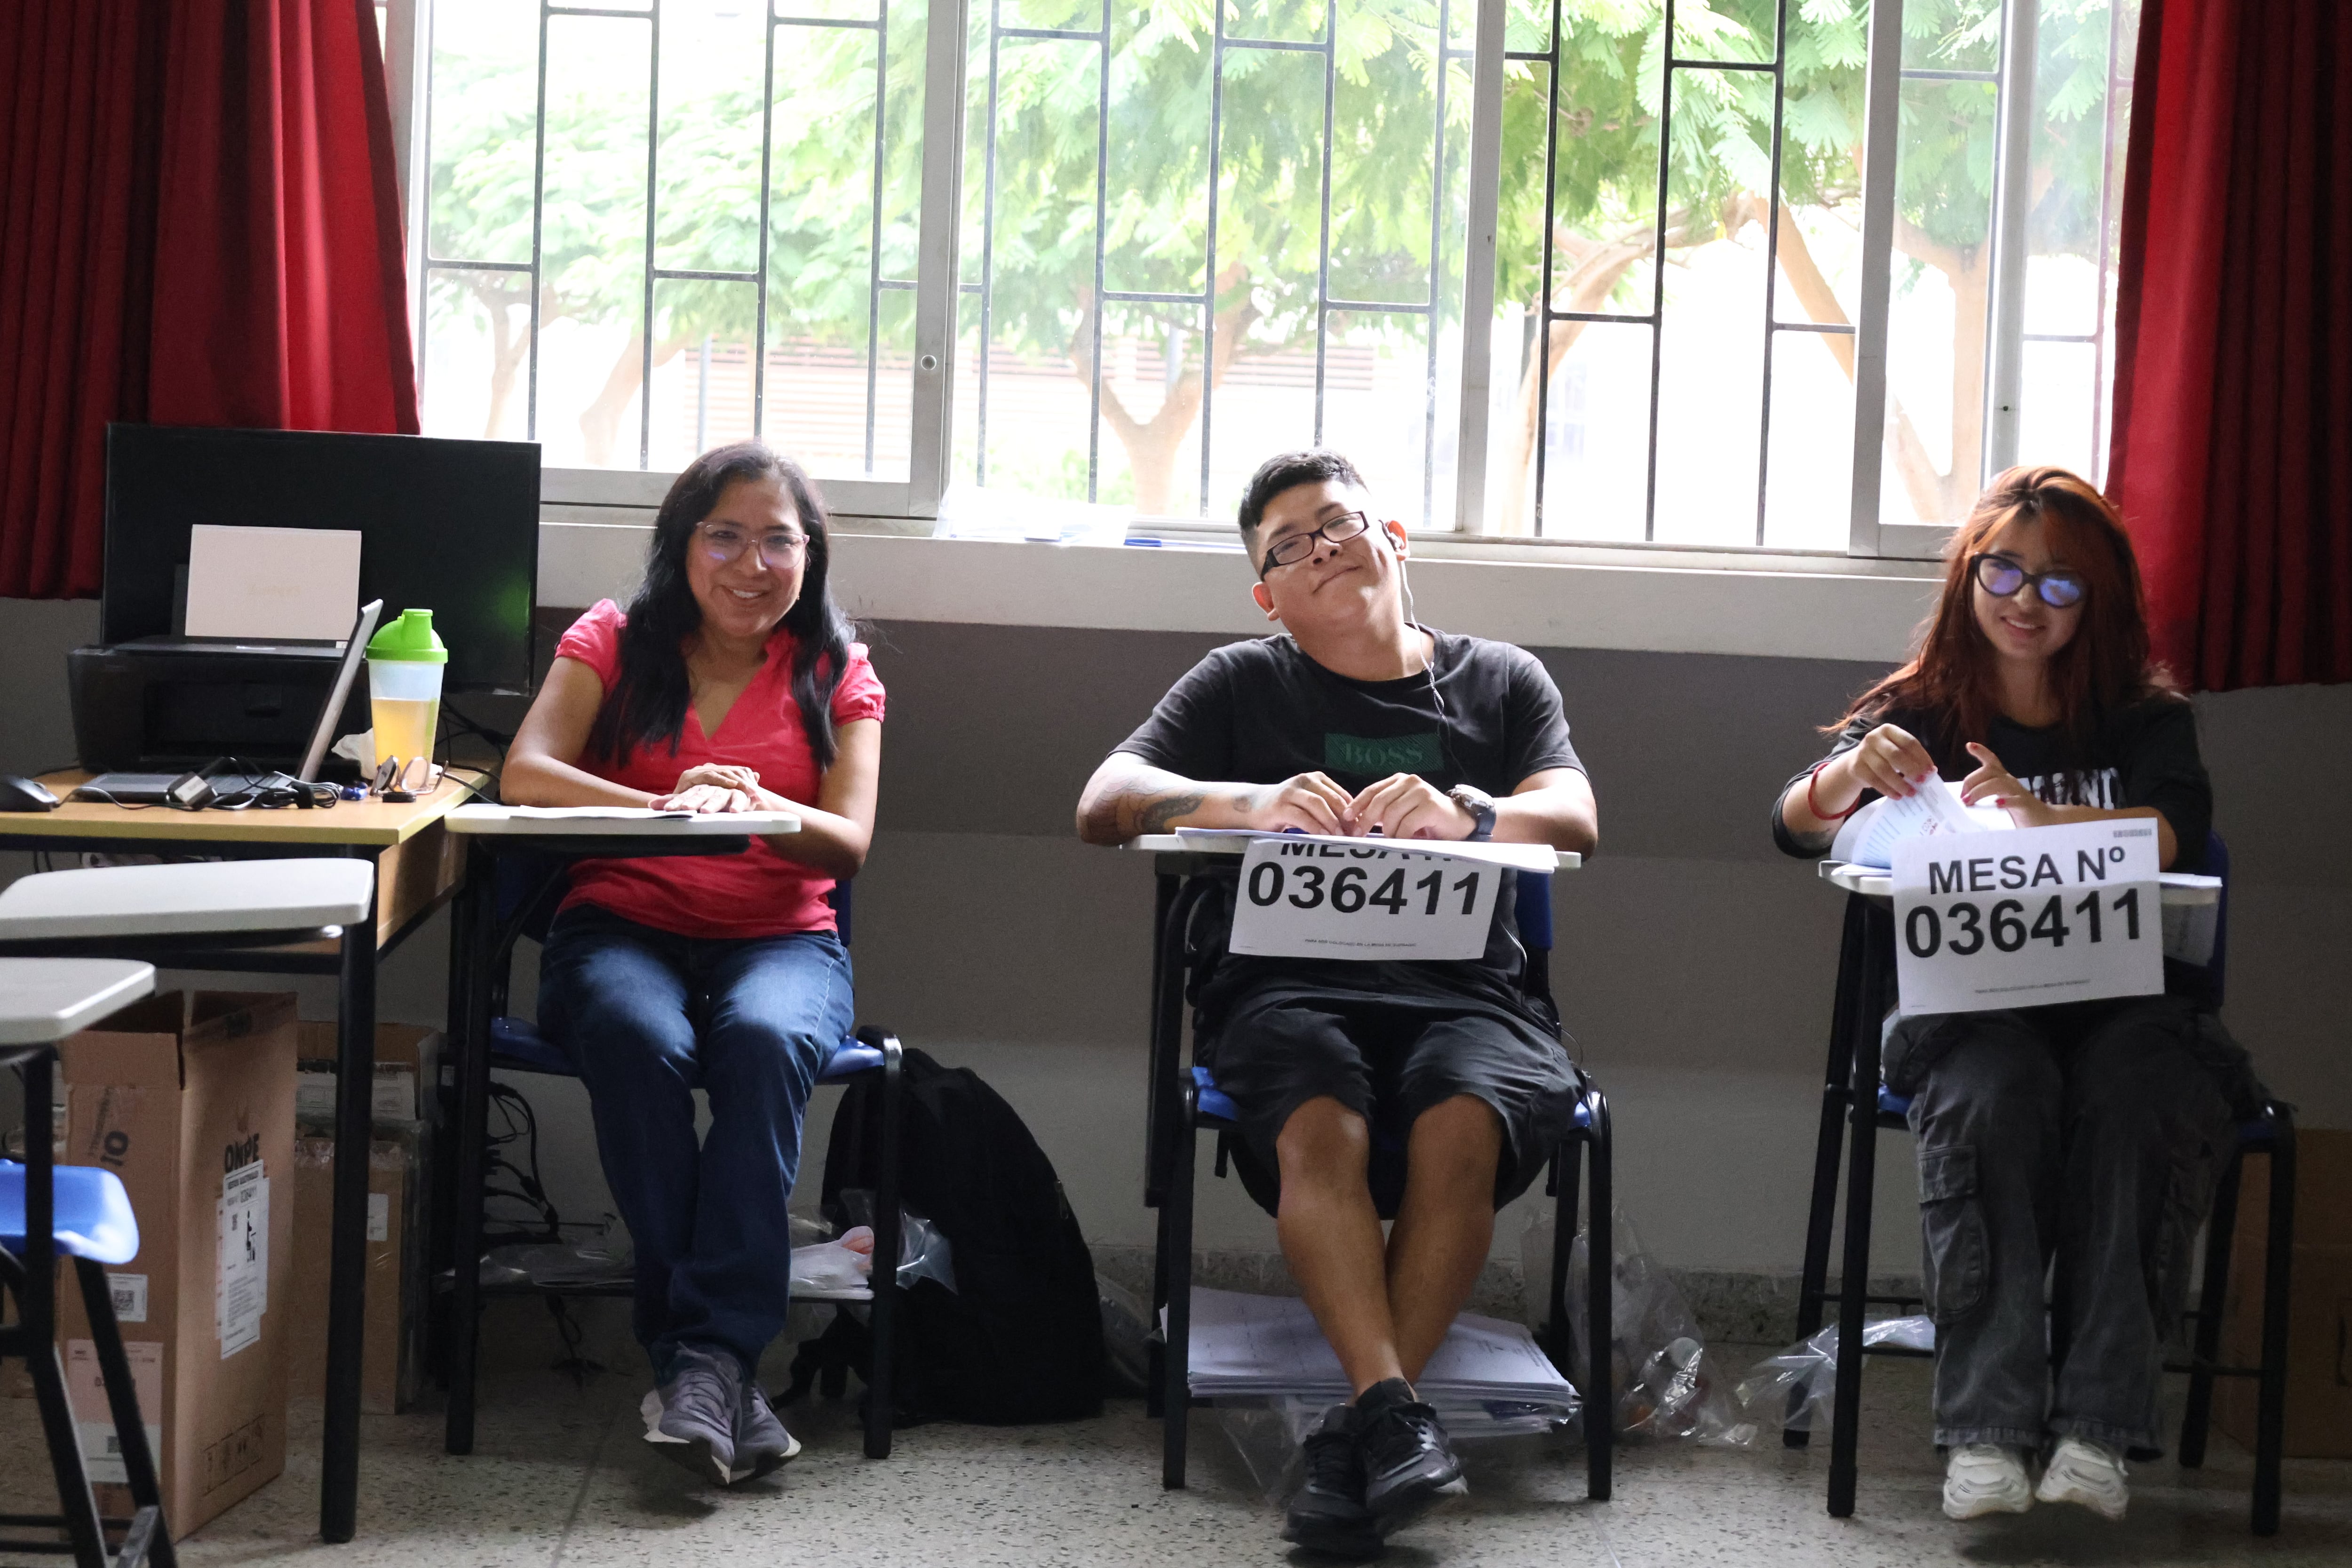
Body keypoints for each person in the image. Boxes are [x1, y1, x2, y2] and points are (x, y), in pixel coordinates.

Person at [1076, 450, 1598, 1557]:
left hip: (1470, 992)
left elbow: (1574, 814)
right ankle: (1390, 1416)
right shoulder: (1238, 681)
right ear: (1265, 594)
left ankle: (1357, 1431)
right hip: (1284, 985)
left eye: (1337, 524)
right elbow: (1104, 799)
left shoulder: (1502, 678)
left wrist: (1472, 814)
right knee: (1323, 1119)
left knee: (1462, 1120)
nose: (1320, 551)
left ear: (1391, 538)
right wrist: (1246, 801)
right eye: (1288, 547)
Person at [1772, 466, 2263, 1524]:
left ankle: (2095, 1431)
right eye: (2003, 570)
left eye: (2060, 582)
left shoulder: (2145, 717)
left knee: (2138, 1102)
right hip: (1971, 1014)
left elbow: (2175, 833)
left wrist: (2046, 821)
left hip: (2131, 1011)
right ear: (1968, 575)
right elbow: (1793, 825)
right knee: (1995, 1096)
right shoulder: (1919, 704)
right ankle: (1988, 1431)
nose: (2025, 600)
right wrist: (1851, 770)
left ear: (2099, 600)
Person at [503, 441, 883, 1486]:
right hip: (619, 927)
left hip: (783, 939)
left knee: (762, 1040)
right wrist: (668, 805)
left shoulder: (838, 669)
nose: (751, 564)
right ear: (681, 543)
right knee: (637, 1036)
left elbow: (848, 842)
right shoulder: (612, 639)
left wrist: (755, 805)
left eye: (779, 542)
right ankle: (711, 1362)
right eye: (724, 536)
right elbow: (527, 773)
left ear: (811, 556)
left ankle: (702, 1358)